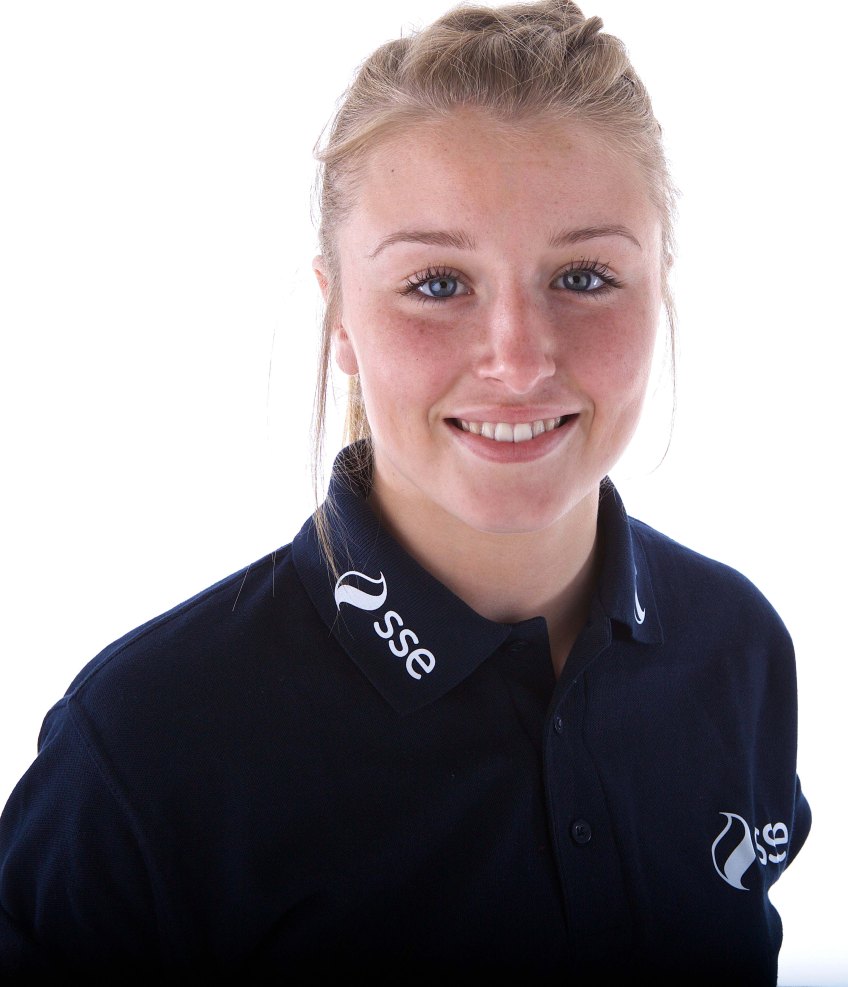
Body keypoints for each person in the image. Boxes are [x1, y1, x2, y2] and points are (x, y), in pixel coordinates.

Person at [0, 0, 810, 982]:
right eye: (437, 284)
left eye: (585, 276)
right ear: (339, 315)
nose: (518, 360)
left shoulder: (739, 649)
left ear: (661, 283)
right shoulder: (146, 745)